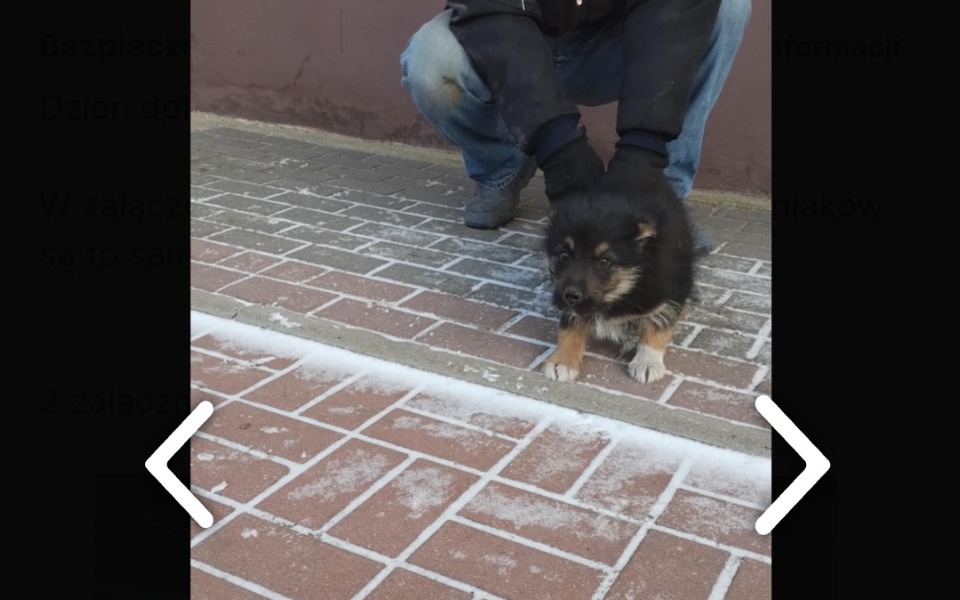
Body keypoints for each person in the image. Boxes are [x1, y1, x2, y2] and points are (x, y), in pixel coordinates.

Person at [400, 0, 751, 255]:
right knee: (429, 58)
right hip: (504, 37)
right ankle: (503, 167)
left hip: (612, 44)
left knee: (729, 6)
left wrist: (642, 155)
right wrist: (559, 148)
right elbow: (490, 11)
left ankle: (661, 194)